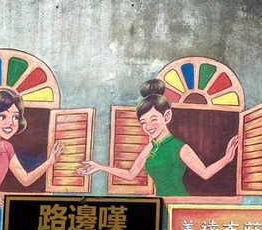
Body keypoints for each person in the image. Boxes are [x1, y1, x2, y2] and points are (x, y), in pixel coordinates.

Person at [78, 79, 239, 196]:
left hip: (178, 202)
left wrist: (226, 159)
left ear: (167, 116)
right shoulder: (150, 147)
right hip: (158, 202)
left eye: (153, 119)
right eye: (143, 122)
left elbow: (204, 173)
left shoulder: (179, 147)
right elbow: (130, 174)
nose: (148, 127)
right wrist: (99, 167)